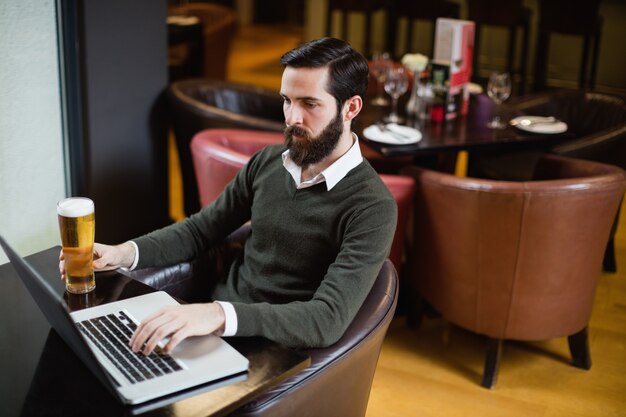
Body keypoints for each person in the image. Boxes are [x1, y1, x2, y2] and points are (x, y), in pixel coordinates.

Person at [60, 37, 397, 355]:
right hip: (210, 325)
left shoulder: (372, 207)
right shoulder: (267, 162)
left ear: (350, 107)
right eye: (286, 101)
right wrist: (121, 253)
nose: (293, 118)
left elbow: (326, 320)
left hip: (270, 348)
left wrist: (220, 316)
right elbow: (199, 230)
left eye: (309, 103)